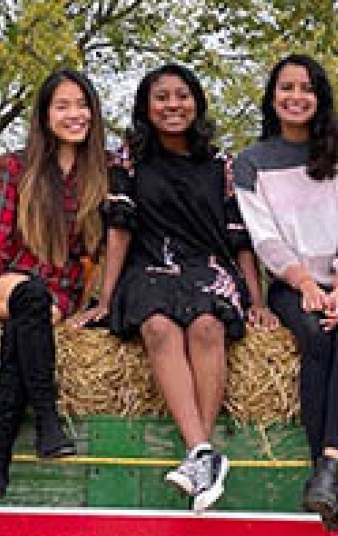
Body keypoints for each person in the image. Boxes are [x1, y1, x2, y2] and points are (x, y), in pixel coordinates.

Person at [73, 63, 275, 512]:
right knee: (160, 328)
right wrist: (105, 299)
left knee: (207, 325)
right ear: (146, 107)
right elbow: (119, 230)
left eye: (182, 96)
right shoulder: (126, 161)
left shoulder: (221, 165)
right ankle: (203, 451)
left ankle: (198, 456)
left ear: (197, 103)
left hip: (208, 265)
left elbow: (240, 237)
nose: (172, 105)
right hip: (150, 267)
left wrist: (257, 301)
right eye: (161, 97)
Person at [234, 54, 338, 531]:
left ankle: (328, 469)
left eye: (306, 88)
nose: (296, 97)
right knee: (315, 338)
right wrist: (304, 283)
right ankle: (326, 481)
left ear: (320, 97)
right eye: (286, 88)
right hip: (291, 280)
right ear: (272, 97)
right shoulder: (251, 163)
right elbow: (264, 238)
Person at [0, 69, 108, 499]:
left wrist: (98, 302)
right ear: (44, 115)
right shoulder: (15, 167)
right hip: (12, 278)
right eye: (63, 106)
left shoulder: (104, 172)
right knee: (28, 297)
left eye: (82, 104)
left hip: (62, 289)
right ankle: (48, 421)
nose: (75, 114)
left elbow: (108, 248)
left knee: (25, 330)